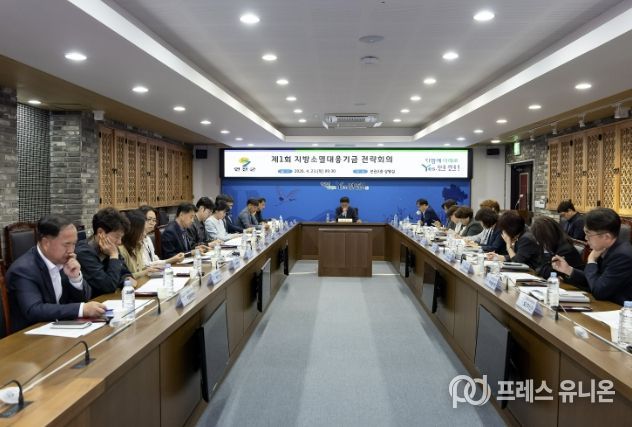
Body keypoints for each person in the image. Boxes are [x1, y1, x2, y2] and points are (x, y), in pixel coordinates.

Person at [6, 215, 106, 333]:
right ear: (46, 243)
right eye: (66, 244)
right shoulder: (23, 270)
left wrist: (75, 279)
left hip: (61, 329)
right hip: (30, 336)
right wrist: (80, 309)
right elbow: (34, 310)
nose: (71, 250)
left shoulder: (64, 261)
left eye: (74, 244)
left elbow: (85, 298)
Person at [552, 208, 632, 305]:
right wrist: (568, 270)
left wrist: (591, 261)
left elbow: (599, 291)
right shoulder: (605, 248)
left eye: (588, 234)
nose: (585, 238)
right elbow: (593, 280)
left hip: (620, 309)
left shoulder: (622, 256)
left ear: (606, 237)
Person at [76, 207, 134, 297]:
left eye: (121, 238)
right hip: (93, 303)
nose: (119, 242)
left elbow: (126, 274)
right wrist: (113, 256)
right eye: (117, 237)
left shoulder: (110, 247)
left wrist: (124, 279)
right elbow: (108, 286)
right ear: (100, 233)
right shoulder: (83, 253)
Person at [119, 210, 166, 280]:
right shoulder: (121, 250)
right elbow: (124, 278)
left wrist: (150, 269)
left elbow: (141, 269)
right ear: (133, 231)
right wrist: (146, 271)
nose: (144, 234)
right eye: (142, 231)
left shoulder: (138, 246)